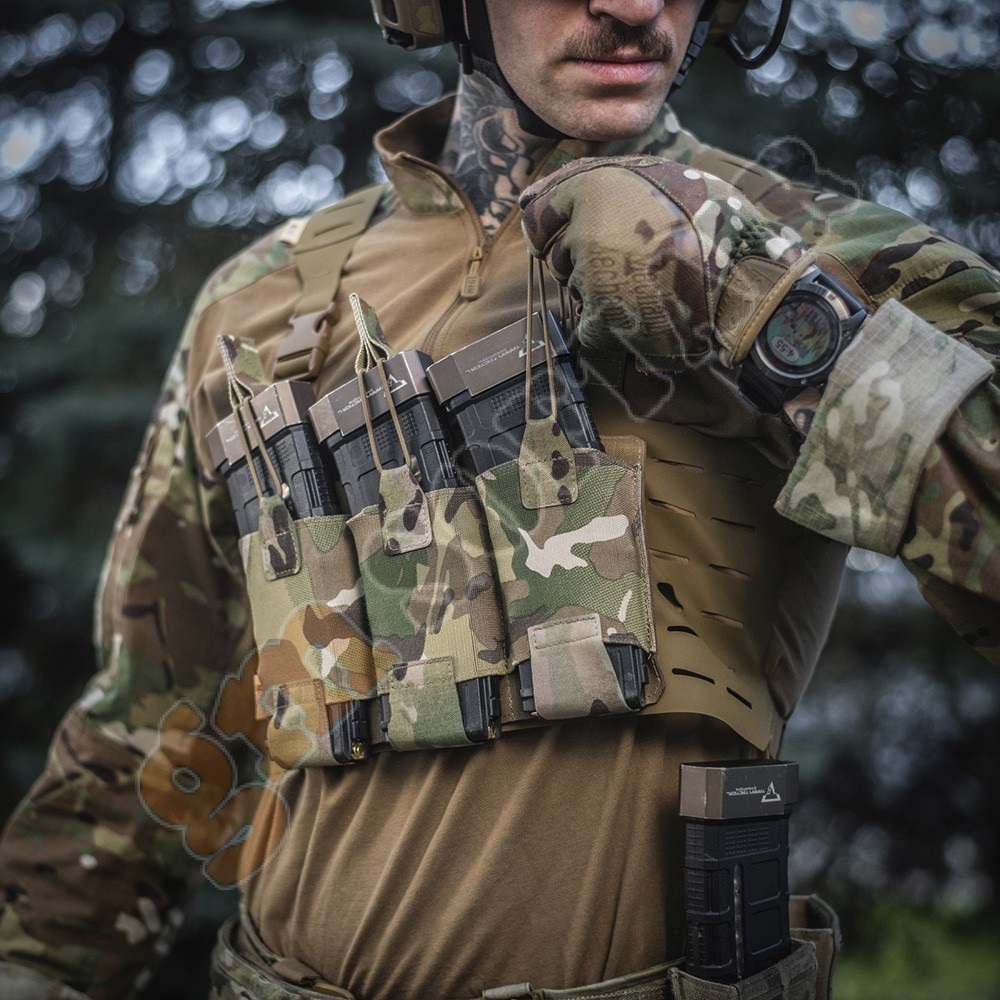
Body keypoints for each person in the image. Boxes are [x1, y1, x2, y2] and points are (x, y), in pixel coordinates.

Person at [0, 1, 997, 998]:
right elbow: (149, 723)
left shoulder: (824, 254)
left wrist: (754, 296)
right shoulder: (260, 301)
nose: (632, 6)